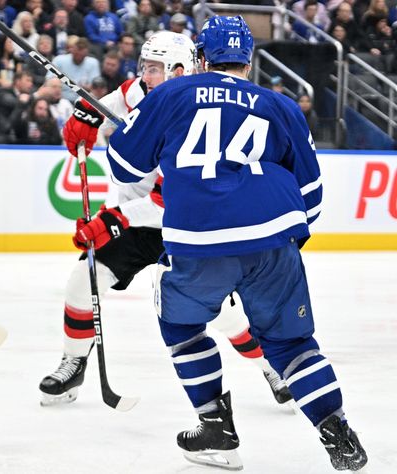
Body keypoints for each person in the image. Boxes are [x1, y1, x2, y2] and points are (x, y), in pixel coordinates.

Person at [105, 16, 367, 471]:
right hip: (273, 238)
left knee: (183, 326)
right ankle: (338, 434)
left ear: (201, 58)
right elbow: (311, 197)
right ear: (248, 60)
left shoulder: (171, 93)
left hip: (199, 241)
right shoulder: (281, 106)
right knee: (293, 345)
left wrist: (134, 125)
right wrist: (277, 249)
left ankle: (216, 429)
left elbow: (124, 169)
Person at [39, 30, 292, 411]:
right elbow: (115, 99)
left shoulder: (193, 111)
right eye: (145, 65)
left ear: (178, 71)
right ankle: (74, 363)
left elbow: (167, 200)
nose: (145, 74)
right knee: (83, 281)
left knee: (223, 313)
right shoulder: (139, 90)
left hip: (184, 227)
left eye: (154, 68)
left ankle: (270, 367)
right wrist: (84, 115)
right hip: (133, 225)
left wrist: (112, 220)